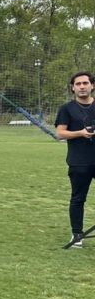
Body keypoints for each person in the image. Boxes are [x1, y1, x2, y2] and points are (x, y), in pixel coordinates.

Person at [55, 71, 95, 247]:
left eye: (85, 83)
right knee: (78, 199)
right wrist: (80, 133)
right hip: (79, 162)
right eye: (78, 84)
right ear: (73, 88)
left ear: (92, 86)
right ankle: (77, 235)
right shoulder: (66, 109)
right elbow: (60, 133)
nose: (82, 87)